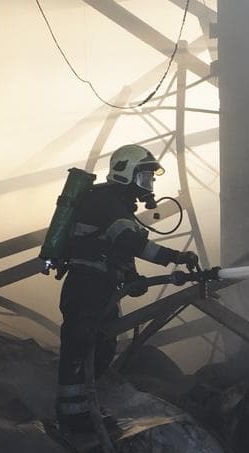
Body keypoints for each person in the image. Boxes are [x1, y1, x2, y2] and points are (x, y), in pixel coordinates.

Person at [55, 144, 198, 433]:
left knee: (103, 347)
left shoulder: (117, 205)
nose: (150, 184)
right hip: (86, 287)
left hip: (102, 287)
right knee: (80, 347)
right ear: (124, 173)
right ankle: (73, 418)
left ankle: (86, 410)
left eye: (151, 179)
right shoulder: (105, 202)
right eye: (144, 177)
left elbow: (119, 249)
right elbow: (130, 243)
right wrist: (175, 257)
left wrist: (131, 276)